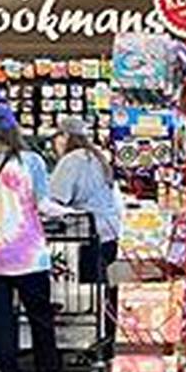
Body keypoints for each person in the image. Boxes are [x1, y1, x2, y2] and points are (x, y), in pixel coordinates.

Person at [0, 105, 75, 372]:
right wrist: (69, 213)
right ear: (16, 128)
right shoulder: (32, 161)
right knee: (40, 316)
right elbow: (43, 204)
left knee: (1, 318)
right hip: (27, 252)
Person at [50, 116, 122, 284]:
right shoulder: (97, 157)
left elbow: (57, 198)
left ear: (65, 137)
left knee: (86, 286)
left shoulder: (71, 160)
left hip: (86, 235)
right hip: (109, 233)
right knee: (98, 285)